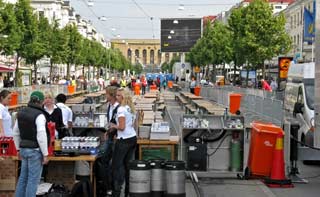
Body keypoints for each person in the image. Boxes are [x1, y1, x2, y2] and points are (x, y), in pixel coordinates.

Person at [13, 91, 49, 197]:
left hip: (23, 149)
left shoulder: (21, 112)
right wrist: (45, 154)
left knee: (23, 178)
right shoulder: (39, 115)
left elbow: (15, 132)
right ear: (41, 102)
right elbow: (41, 135)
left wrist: (18, 149)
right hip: (35, 151)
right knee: (33, 181)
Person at [110, 88, 137, 197]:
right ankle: (127, 192)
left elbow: (121, 127)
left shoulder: (121, 109)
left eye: (118, 96)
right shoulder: (130, 108)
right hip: (132, 138)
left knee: (116, 166)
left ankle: (116, 192)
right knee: (127, 166)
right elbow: (133, 125)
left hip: (123, 140)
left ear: (123, 97)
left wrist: (113, 126)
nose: (116, 97)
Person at [104, 86, 120, 196]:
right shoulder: (109, 106)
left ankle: (116, 188)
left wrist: (115, 132)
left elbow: (121, 124)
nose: (105, 96)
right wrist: (107, 131)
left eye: (106, 94)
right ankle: (108, 186)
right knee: (105, 161)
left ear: (111, 95)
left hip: (116, 139)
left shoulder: (119, 108)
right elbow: (110, 121)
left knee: (114, 164)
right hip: (110, 137)